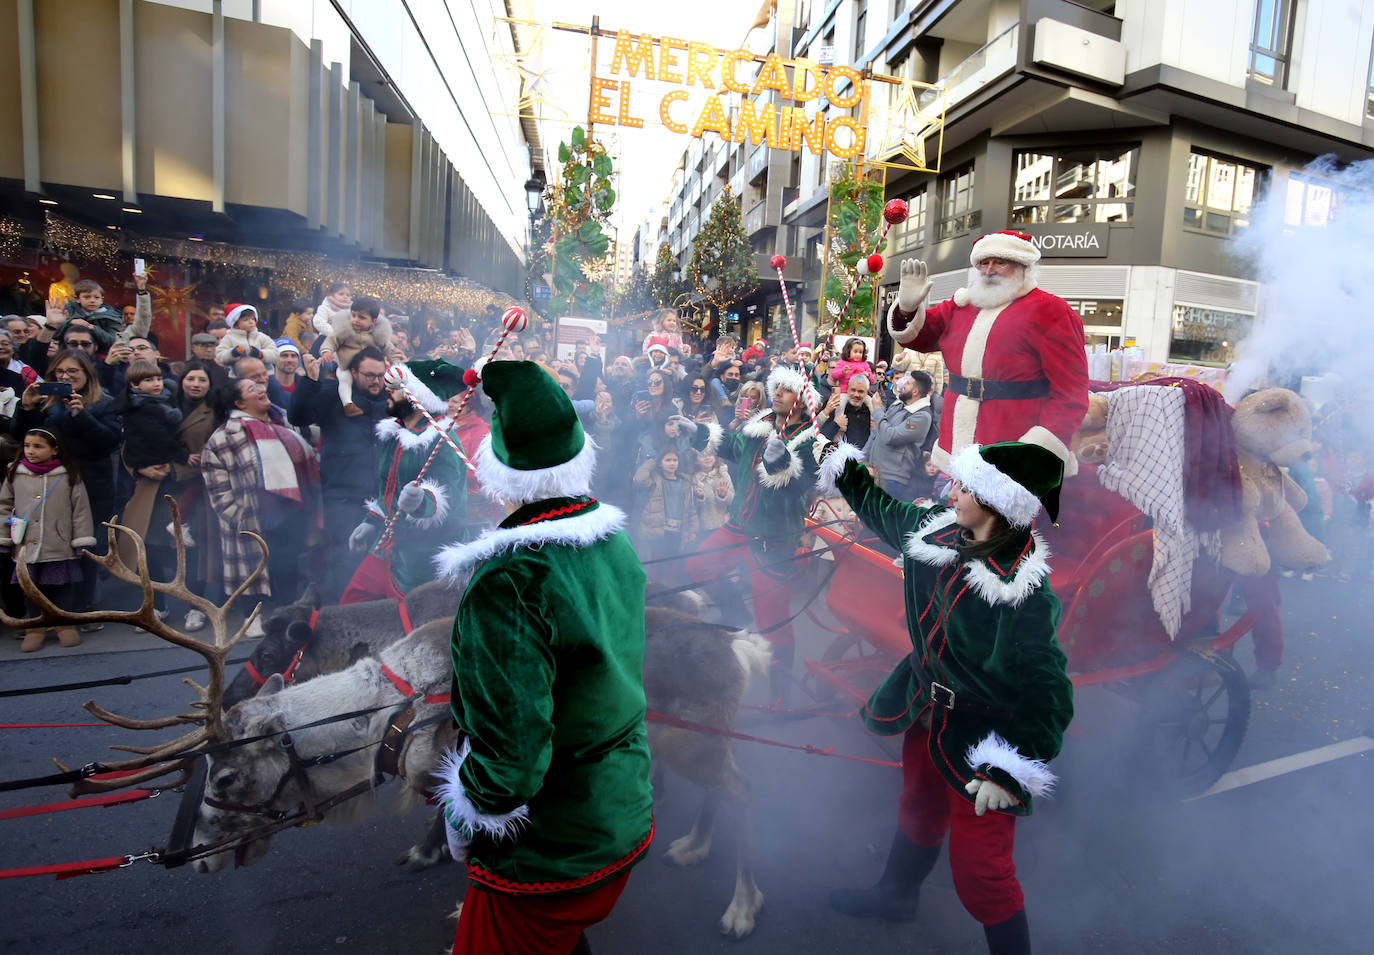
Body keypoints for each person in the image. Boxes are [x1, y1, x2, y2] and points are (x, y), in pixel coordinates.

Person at [816, 437, 1074, 955]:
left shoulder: (1024, 592)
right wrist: (833, 454)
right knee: (916, 807)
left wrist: (1010, 767)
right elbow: (876, 506)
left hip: (984, 740)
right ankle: (896, 895)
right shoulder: (934, 529)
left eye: (963, 484)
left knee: (982, 872)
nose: (949, 489)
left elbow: (1050, 692)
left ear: (996, 502)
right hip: (924, 708)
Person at [433, 360, 652, 955]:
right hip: (622, 809)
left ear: (497, 470)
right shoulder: (613, 538)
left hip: (551, 848)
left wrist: (460, 817)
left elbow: (509, 767)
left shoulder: (510, 579)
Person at [674, 366, 822, 699]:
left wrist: (780, 464)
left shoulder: (810, 439)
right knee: (696, 567)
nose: (777, 394)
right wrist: (698, 432)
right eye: (776, 389)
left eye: (785, 390)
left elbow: (798, 487)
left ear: (800, 399)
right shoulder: (762, 425)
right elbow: (732, 446)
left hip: (773, 543)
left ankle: (779, 695)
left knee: (773, 624)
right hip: (738, 528)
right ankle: (735, 613)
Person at [886, 232, 1089, 475]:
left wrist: (1037, 447)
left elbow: (1071, 393)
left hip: (1014, 443)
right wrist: (907, 309)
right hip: (958, 440)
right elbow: (920, 336)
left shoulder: (1051, 311)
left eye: (999, 262)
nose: (989, 270)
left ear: (1022, 265)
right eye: (983, 263)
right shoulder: (962, 305)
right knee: (960, 509)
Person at [201, 378, 322, 633]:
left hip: (289, 512)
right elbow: (216, 483)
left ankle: (286, 615)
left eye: (260, 385)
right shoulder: (224, 436)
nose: (261, 389)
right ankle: (251, 617)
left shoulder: (282, 424)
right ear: (239, 402)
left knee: (286, 566)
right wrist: (235, 513)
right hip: (252, 516)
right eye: (251, 388)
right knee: (251, 570)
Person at [10, 349, 122, 621]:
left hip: (91, 484)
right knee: (52, 546)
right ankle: (50, 609)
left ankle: (84, 607)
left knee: (86, 546)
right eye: (60, 372)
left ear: (86, 373)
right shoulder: (45, 403)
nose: (66, 376)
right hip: (49, 487)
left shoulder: (104, 401)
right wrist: (25, 407)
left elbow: (109, 442)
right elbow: (21, 438)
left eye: (73, 371)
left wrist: (82, 415)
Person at [346, 359, 468, 598]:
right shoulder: (396, 434)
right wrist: (371, 521)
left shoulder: (442, 440)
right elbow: (387, 490)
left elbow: (446, 497)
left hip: (425, 555)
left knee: (406, 622)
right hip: (390, 545)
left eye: (397, 385)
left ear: (418, 396)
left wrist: (421, 502)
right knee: (355, 600)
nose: (388, 389)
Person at [118, 362, 218, 632]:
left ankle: (195, 607)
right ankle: (156, 606)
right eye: (191, 378)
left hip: (191, 490)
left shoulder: (214, 412)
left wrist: (176, 468)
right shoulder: (157, 404)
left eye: (202, 379)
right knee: (149, 548)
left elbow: (212, 454)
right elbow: (130, 445)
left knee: (190, 552)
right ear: (181, 380)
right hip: (152, 488)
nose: (196, 384)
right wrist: (139, 468)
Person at [288, 347, 389, 602]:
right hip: (343, 496)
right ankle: (339, 615)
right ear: (353, 372)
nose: (376, 381)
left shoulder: (391, 398)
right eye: (369, 375)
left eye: (380, 374)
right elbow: (297, 415)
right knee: (343, 560)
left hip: (382, 497)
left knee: (380, 562)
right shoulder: (333, 395)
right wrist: (310, 381)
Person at [0, 428, 96, 651]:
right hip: (26, 545)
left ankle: (64, 624)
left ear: (54, 450)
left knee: (62, 587)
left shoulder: (68, 475)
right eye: (27, 446)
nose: (30, 451)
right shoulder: (15, 473)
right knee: (31, 588)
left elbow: (80, 510)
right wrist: (4, 539)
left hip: (59, 543)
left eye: (38, 446)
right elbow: (4, 506)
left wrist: (81, 540)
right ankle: (36, 627)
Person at [866, 371, 934, 502]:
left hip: (892, 479)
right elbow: (877, 432)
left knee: (881, 519)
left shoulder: (922, 416)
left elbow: (890, 436)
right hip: (875, 472)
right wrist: (863, 458)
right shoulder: (899, 404)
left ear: (915, 391)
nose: (902, 385)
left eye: (907, 383)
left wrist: (878, 410)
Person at [318, 295, 392, 416]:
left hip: (368, 369)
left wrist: (395, 358)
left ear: (373, 321)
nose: (355, 320)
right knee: (344, 380)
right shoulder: (344, 331)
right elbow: (331, 342)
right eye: (353, 315)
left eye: (361, 317)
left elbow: (388, 347)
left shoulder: (376, 335)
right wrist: (326, 352)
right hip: (346, 366)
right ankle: (348, 404)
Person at [111, 361, 186, 472]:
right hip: (150, 460)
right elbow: (159, 437)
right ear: (135, 384)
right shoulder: (140, 407)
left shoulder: (165, 397)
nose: (156, 383)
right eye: (149, 380)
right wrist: (183, 456)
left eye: (159, 379)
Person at [633, 447, 699, 568]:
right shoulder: (655, 480)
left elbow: (691, 508)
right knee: (654, 565)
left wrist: (693, 530)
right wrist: (652, 462)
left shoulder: (685, 481)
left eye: (675, 460)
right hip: (656, 531)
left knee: (671, 566)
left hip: (678, 532)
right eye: (667, 460)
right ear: (660, 463)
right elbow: (639, 478)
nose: (672, 463)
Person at [818, 372, 875, 449]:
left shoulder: (872, 411)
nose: (856, 394)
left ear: (867, 392)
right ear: (847, 389)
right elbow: (822, 437)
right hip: (839, 456)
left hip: (865, 458)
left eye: (860, 391)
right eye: (853, 390)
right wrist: (836, 424)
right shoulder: (836, 406)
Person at [215, 304, 279, 368]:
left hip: (265, 373)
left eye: (252, 319)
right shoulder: (229, 338)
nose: (251, 322)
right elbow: (220, 356)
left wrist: (261, 354)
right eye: (246, 320)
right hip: (240, 374)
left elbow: (275, 354)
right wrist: (232, 354)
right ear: (236, 324)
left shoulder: (261, 337)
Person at [691, 450, 734, 538]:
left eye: (710, 454)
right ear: (696, 460)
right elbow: (694, 506)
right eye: (702, 456)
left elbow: (734, 501)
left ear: (715, 457)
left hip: (724, 525)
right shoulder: (694, 479)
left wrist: (724, 495)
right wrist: (699, 497)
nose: (707, 458)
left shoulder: (723, 475)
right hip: (704, 529)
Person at [268, 339, 303, 407]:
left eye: (293, 356)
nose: (290, 360)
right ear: (274, 360)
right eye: (284, 355)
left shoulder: (304, 386)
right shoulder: (266, 387)